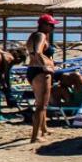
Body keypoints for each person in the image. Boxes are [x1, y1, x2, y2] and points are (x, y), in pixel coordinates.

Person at [25, 13, 57, 144]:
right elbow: (37, 52)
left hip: (33, 70)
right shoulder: (41, 35)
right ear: (43, 25)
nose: (53, 28)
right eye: (51, 25)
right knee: (41, 106)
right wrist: (45, 66)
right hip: (40, 72)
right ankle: (35, 137)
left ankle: (44, 128)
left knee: (41, 103)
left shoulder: (33, 35)